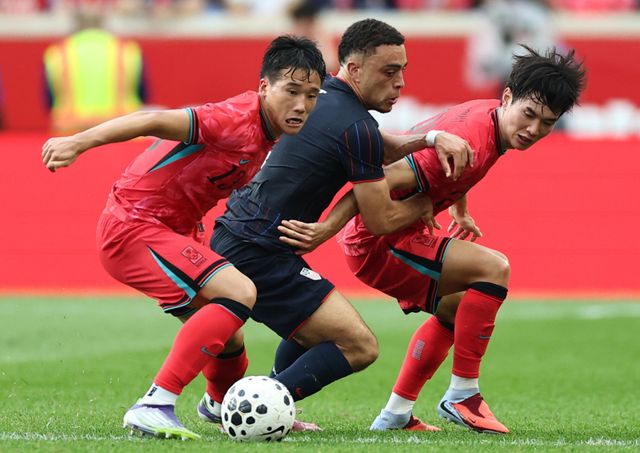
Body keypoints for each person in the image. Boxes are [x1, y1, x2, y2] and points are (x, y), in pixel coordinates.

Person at [280, 45, 586, 433]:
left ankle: (395, 415)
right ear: (508, 97)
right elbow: (380, 179)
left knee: (458, 309)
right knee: (494, 269)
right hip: (378, 241)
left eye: (547, 123)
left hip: (397, 233)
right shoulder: (474, 136)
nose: (534, 130)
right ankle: (463, 394)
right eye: (529, 114)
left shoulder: (487, 116)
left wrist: (459, 208)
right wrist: (326, 228)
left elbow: (456, 167)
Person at [41, 35, 326, 440]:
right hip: (135, 224)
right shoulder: (232, 119)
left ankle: (223, 405)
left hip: (169, 229)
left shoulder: (269, 131)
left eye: (311, 95)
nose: (302, 105)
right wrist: (78, 141)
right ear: (264, 87)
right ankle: (153, 404)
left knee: (229, 335)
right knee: (240, 292)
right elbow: (151, 119)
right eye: (292, 91)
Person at [210, 18, 473, 430]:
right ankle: (255, 407)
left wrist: (430, 138)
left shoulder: (324, 96)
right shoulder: (356, 125)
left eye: (403, 70)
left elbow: (376, 147)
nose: (400, 82)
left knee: (312, 327)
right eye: (389, 71)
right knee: (359, 346)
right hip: (261, 250)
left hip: (239, 232)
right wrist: (426, 201)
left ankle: (258, 400)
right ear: (354, 69)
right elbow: (381, 220)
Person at [43, 3, 146, 134]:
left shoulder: (58, 52)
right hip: (121, 130)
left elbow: (49, 99)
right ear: (104, 24)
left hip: (71, 132)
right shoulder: (127, 50)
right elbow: (143, 94)